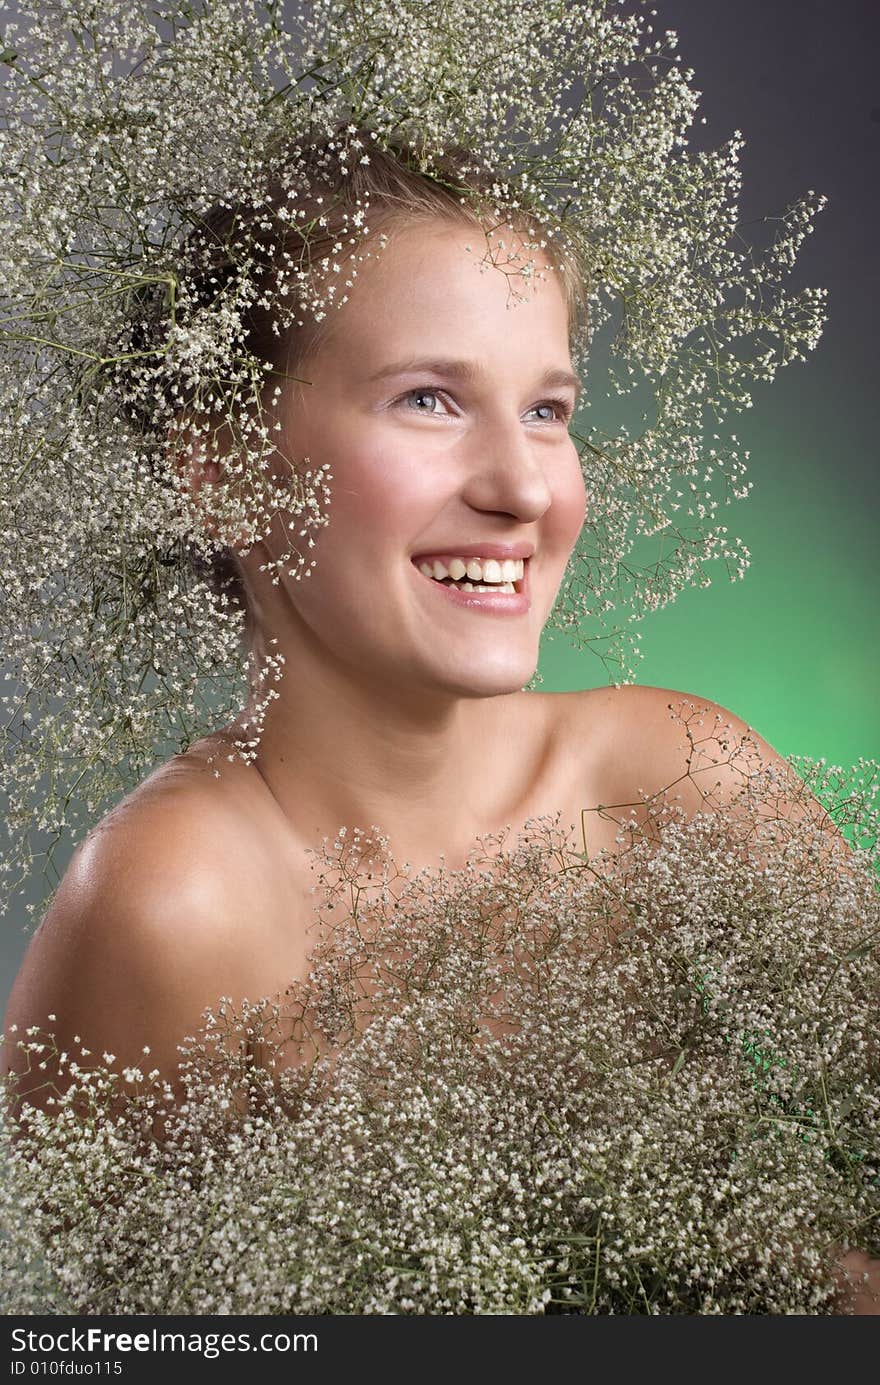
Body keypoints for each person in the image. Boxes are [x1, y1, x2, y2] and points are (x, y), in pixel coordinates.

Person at [1, 132, 875, 1312]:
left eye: (549, 409)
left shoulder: (673, 776)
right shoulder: (177, 906)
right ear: (219, 467)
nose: (521, 486)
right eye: (428, 398)